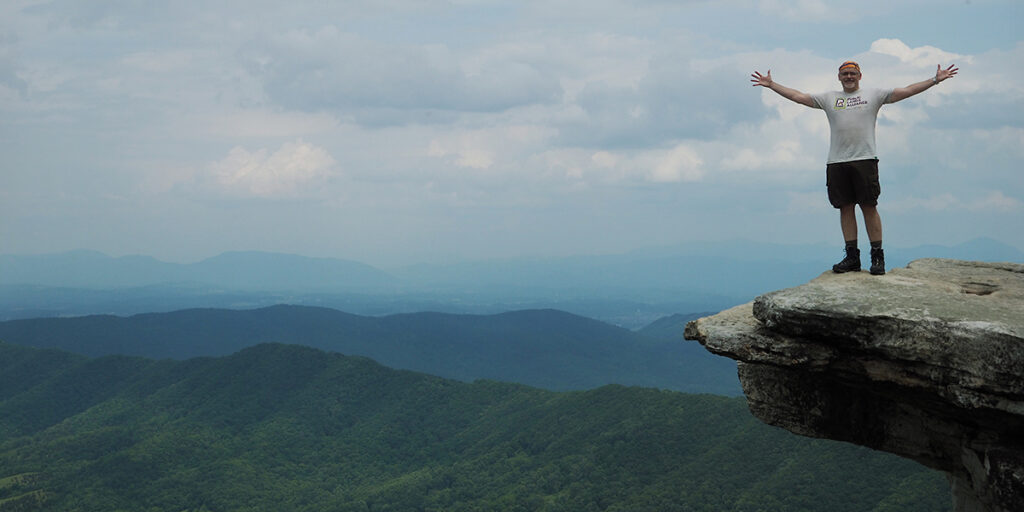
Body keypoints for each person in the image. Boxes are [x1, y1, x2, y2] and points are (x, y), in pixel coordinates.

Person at [750, 60, 958, 275]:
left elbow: (906, 91)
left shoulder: (873, 95)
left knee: (869, 206)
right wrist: (772, 85)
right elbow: (798, 97)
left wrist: (934, 80)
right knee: (845, 207)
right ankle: (852, 257)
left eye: (852, 73)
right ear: (839, 77)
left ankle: (877, 257)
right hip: (836, 161)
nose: (849, 77)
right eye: (845, 74)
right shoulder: (829, 98)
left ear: (860, 76)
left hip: (865, 159)